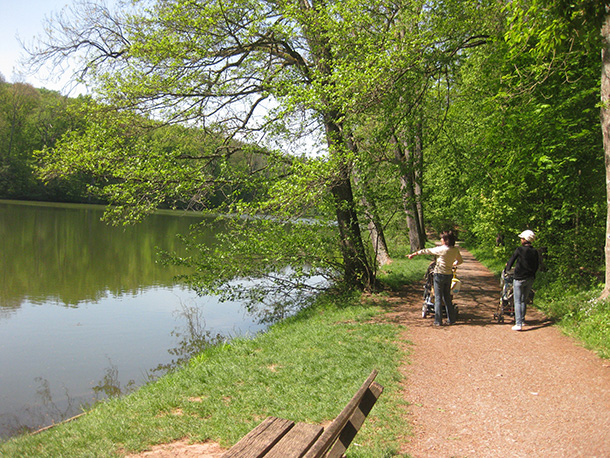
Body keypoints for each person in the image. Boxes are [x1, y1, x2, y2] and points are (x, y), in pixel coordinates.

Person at [408, 231, 463, 326]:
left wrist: (414, 254)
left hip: (439, 274)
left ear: (446, 240)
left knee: (437, 297)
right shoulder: (455, 250)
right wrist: (453, 264)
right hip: (449, 274)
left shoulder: (441, 249)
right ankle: (451, 319)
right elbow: (460, 260)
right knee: (447, 298)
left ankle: (438, 320)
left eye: (442, 238)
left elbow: (427, 251)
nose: (441, 240)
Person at [505, 229, 539, 331]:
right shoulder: (535, 252)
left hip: (519, 278)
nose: (521, 240)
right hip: (530, 278)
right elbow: (537, 265)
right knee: (524, 300)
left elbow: (512, 260)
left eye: (522, 238)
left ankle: (518, 323)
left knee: (517, 301)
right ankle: (522, 320)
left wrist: (507, 269)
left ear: (525, 240)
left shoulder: (520, 250)